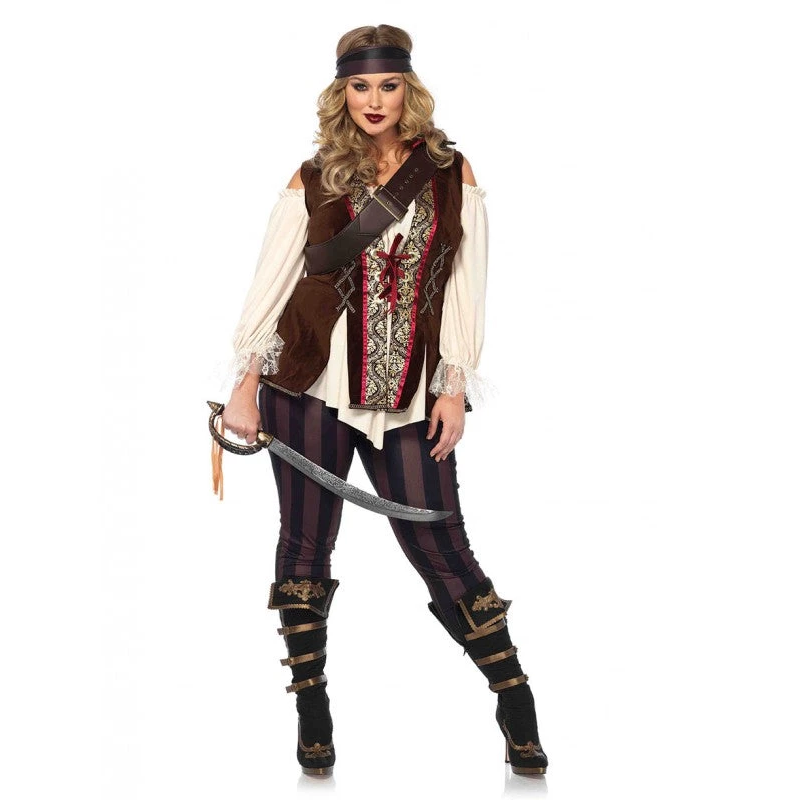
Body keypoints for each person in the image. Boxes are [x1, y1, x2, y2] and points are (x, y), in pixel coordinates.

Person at [218, 25, 549, 777]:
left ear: (408, 90)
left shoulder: (450, 174)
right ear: (342, 93)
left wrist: (453, 386)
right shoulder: (314, 175)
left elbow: (465, 286)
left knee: (441, 543)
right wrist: (245, 383)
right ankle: (312, 711)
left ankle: (515, 697)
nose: (374, 101)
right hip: (309, 383)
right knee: (305, 544)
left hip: (411, 393)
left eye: (388, 86)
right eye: (360, 87)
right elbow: (273, 279)